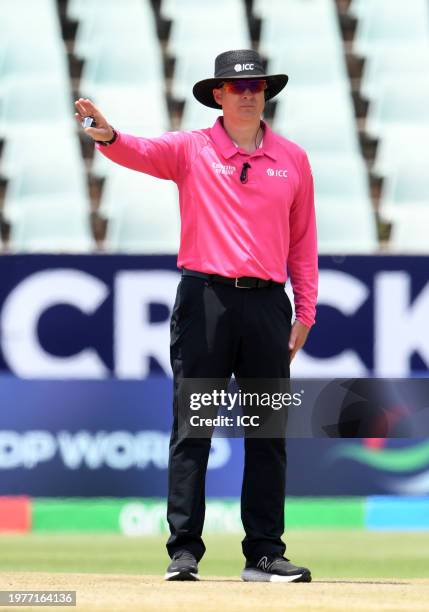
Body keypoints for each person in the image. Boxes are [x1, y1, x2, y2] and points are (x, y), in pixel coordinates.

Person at [75, 49, 318, 583]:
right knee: (195, 427)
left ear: (266, 94)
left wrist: (306, 310)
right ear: (218, 95)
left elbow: (303, 242)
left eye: (255, 86)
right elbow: (141, 151)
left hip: (267, 304)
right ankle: (184, 551)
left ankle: (263, 553)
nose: (248, 93)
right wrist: (109, 136)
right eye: (236, 87)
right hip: (205, 299)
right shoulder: (193, 149)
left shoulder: (293, 159)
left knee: (267, 431)